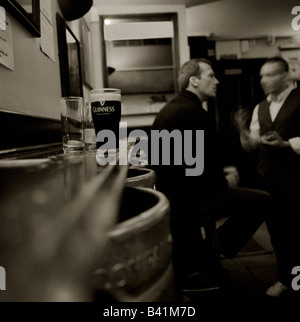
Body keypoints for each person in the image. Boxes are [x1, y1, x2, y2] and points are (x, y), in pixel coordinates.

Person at [151, 58, 277, 297]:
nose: (217, 80)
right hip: (191, 200)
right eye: (211, 75)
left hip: (173, 197)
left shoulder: (172, 109)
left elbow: (185, 165)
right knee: (264, 200)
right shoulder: (194, 112)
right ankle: (208, 253)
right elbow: (204, 173)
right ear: (194, 80)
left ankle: (203, 254)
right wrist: (226, 180)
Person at [234, 56, 300, 297]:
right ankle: (286, 279)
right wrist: (244, 135)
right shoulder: (260, 107)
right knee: (279, 233)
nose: (263, 80)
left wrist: (288, 144)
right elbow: (253, 144)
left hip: (296, 180)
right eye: (262, 75)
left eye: (270, 75)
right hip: (270, 181)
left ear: (287, 75)